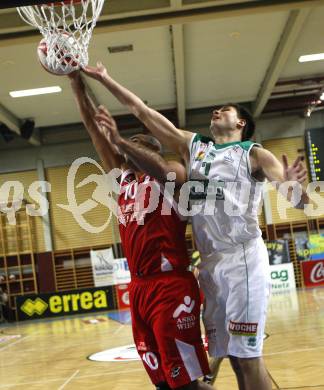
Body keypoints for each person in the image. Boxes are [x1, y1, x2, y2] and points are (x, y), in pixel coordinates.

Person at [82, 62, 309, 390]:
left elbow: (298, 200)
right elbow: (142, 112)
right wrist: (105, 79)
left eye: (226, 110)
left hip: (243, 260)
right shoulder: (195, 146)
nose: (217, 111)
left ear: (241, 122)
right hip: (210, 265)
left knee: (246, 357)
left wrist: (294, 188)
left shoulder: (254, 154)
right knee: (227, 355)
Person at [68, 71, 214, 390]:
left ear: (149, 150)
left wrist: (120, 140)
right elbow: (94, 128)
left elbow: (159, 167)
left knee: (186, 383)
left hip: (170, 287)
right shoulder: (124, 182)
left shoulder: (171, 176)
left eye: (136, 145)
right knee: (163, 382)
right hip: (139, 290)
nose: (125, 151)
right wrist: (75, 81)